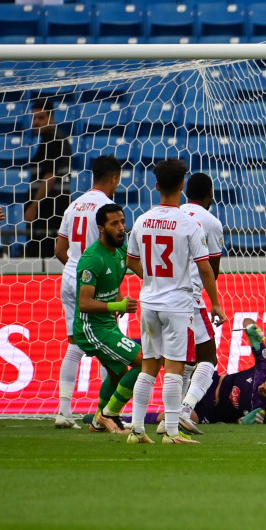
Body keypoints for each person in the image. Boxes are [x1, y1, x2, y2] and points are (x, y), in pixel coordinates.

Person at [125, 158, 227, 445]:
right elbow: (205, 268)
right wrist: (216, 303)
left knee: (148, 366)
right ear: (182, 186)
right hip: (178, 304)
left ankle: (136, 430)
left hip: (149, 302)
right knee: (174, 368)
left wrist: (153, 279)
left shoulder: (142, 220)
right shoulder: (188, 223)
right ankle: (171, 432)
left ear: (156, 185)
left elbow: (131, 259)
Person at [51, 154, 121, 429]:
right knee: (110, 345)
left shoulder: (75, 205)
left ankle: (64, 412)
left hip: (69, 278)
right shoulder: (109, 210)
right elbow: (110, 254)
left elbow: (59, 250)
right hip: (95, 284)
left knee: (75, 344)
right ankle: (106, 412)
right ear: (114, 178)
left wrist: (76, 272)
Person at [71, 203, 143, 435]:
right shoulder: (92, 259)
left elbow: (114, 280)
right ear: (101, 228)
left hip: (107, 324)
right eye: (114, 224)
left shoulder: (121, 251)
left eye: (122, 221)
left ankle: (96, 423)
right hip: (91, 328)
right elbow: (84, 303)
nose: (121, 227)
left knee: (117, 373)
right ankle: (108, 415)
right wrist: (117, 304)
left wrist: (119, 296)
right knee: (143, 362)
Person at [149, 319, 266, 428]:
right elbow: (248, 324)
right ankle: (143, 353)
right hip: (212, 381)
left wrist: (246, 423)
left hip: (210, 410)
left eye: (264, 391)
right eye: (264, 384)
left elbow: (246, 424)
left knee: (168, 418)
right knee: (181, 362)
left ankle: (130, 420)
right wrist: (251, 328)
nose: (260, 387)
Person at [173, 173, 224, 436]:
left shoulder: (172, 215)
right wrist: (215, 302)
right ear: (210, 194)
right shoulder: (210, 222)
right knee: (208, 359)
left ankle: (170, 416)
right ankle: (184, 409)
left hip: (159, 297)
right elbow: (211, 270)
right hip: (190, 299)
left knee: (178, 362)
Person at [24, 97, 71, 259]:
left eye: (41, 118)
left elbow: (50, 177)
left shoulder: (52, 138)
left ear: (51, 118)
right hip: (53, 209)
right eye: (34, 117)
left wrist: (33, 206)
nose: (36, 122)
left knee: (41, 256)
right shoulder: (57, 138)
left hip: (48, 210)